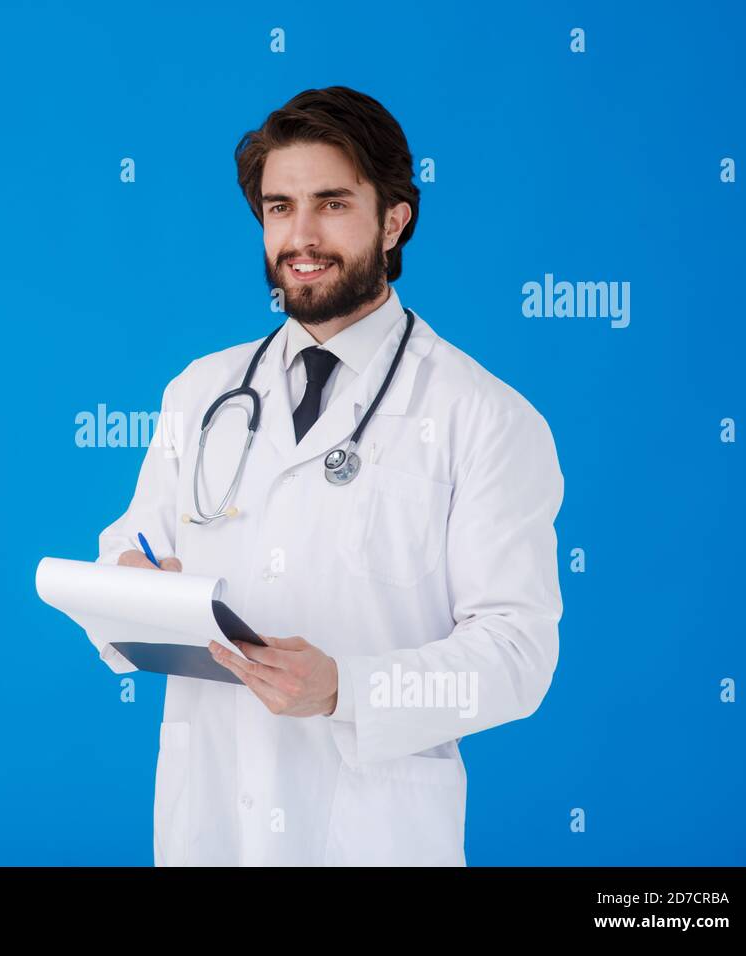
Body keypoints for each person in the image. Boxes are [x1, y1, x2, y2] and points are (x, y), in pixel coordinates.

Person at [94, 86, 565, 866]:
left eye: (331, 204)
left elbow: (517, 656)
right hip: (210, 825)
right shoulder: (201, 392)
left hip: (373, 837)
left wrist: (348, 688)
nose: (301, 237)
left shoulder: (483, 416)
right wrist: (133, 587)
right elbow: (131, 545)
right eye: (280, 208)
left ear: (393, 220)